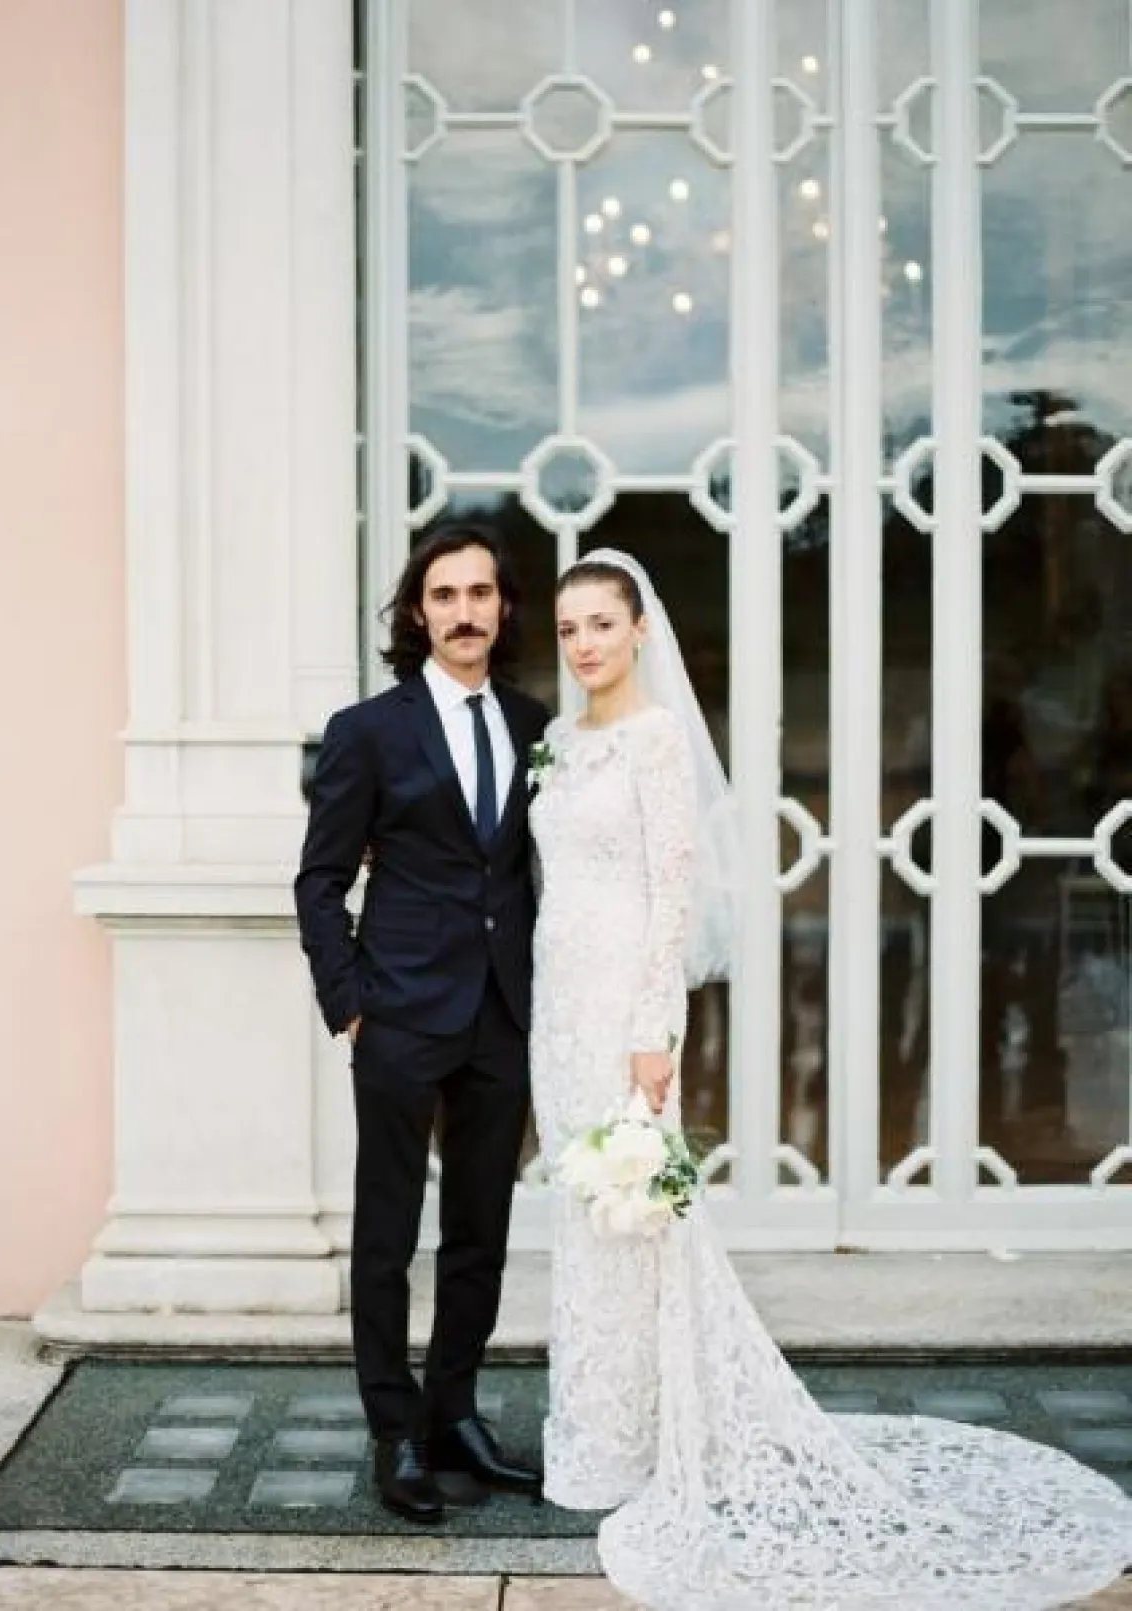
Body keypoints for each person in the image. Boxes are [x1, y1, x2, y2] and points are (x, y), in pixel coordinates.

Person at [530, 547, 1132, 1609]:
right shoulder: (562, 740)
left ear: (639, 629)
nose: (584, 644)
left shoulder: (655, 738)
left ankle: (647, 1436)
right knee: (584, 1216)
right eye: (570, 627)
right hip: (557, 1001)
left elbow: (673, 894)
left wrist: (652, 1028)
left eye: (601, 624)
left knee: (643, 1215)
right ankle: (597, 1426)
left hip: (623, 1000)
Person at [295, 523, 548, 1524]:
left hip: (501, 1016)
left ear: (503, 607)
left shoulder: (533, 723)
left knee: (481, 1233)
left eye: (481, 593)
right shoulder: (367, 730)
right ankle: (393, 1432)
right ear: (417, 612)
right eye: (445, 595)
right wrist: (349, 1002)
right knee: (388, 1234)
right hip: (398, 1013)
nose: (465, 612)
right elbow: (320, 880)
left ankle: (454, 1415)